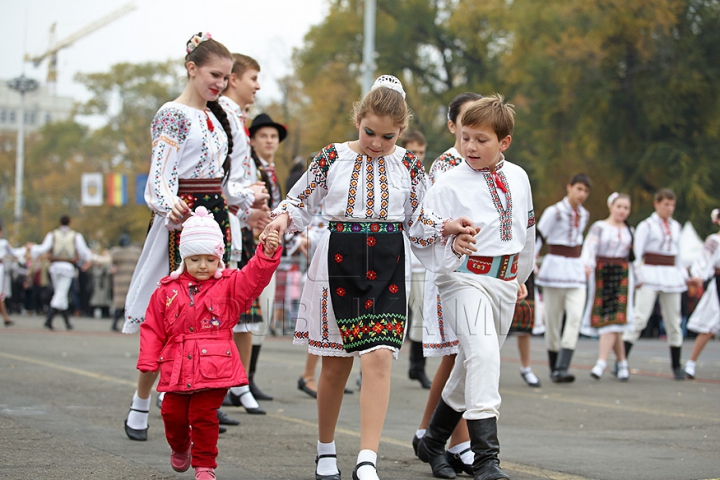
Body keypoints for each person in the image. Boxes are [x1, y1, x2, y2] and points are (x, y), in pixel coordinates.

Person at [262, 75, 474, 480]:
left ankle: (366, 458)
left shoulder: (410, 165)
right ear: (358, 119)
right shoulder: (331, 158)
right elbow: (298, 201)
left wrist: (448, 227)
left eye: (388, 136)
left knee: (379, 357)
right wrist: (281, 221)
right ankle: (326, 450)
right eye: (370, 132)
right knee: (336, 365)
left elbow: (420, 220)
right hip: (338, 257)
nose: (377, 143)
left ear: (401, 131)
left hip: (389, 260)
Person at [121, 32, 236, 441]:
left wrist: (244, 198)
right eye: (214, 74)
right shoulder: (173, 113)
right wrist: (169, 206)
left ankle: (193, 402)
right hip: (183, 221)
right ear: (192, 68)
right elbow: (159, 179)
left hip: (214, 216)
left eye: (225, 77)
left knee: (207, 319)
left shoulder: (215, 116)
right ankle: (140, 403)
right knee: (171, 317)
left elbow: (222, 176)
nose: (220, 83)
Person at [415, 94, 535, 480]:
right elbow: (418, 230)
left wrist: (521, 277)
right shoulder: (448, 181)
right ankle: (487, 460)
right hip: (462, 278)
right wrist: (450, 237)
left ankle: (432, 443)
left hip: (503, 282)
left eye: (481, 139)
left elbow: (527, 233)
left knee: (470, 368)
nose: (470, 146)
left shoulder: (519, 176)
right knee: (484, 355)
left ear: (504, 142)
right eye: (466, 137)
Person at [138, 206, 281, 480]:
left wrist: (266, 253)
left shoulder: (230, 286)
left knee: (204, 416)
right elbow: (153, 327)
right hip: (176, 367)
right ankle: (180, 446)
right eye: (195, 259)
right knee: (172, 413)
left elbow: (254, 277)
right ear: (183, 259)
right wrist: (148, 360)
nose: (202, 265)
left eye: (209, 258)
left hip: (215, 368)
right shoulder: (166, 290)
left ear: (219, 258)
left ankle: (205, 464)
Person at [411, 92, 482, 476]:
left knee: (465, 355)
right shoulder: (445, 166)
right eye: (466, 122)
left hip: (481, 271)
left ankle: (428, 432)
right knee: (460, 353)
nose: (473, 133)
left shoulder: (487, 167)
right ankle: (459, 441)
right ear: (453, 125)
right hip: (452, 269)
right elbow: (432, 222)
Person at [219, 53, 272, 414]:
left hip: (235, 224)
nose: (257, 85)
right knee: (215, 309)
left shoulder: (236, 117)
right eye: (253, 77)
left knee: (240, 310)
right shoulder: (221, 114)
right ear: (234, 78)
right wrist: (246, 199)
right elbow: (220, 179)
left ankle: (232, 384)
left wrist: (249, 209)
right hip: (215, 221)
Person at [243, 112, 288, 402]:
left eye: (273, 136)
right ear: (253, 139)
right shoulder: (249, 170)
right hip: (250, 249)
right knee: (249, 315)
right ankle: (240, 381)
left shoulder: (271, 172)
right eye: (264, 136)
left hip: (267, 248)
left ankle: (249, 378)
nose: (270, 141)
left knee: (264, 315)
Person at [622, 188, 689, 380]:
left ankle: (676, 365)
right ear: (657, 204)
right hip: (650, 273)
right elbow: (637, 254)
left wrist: (684, 275)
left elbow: (679, 256)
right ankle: (622, 361)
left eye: (672, 205)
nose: (669, 208)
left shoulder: (676, 226)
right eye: (666, 204)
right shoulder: (647, 225)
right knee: (640, 317)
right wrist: (637, 276)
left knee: (674, 321)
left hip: (671, 276)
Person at [535, 173, 591, 383]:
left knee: (575, 315)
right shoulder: (555, 211)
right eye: (578, 189)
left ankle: (563, 365)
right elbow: (539, 236)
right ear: (569, 187)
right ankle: (554, 367)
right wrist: (531, 261)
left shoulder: (584, 214)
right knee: (553, 319)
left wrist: (585, 263)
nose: (581, 194)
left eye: (585, 191)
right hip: (555, 266)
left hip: (575, 268)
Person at [580, 193, 634, 381]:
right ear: (611, 206)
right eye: (619, 206)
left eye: (626, 208)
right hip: (603, 271)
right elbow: (590, 247)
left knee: (616, 319)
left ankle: (602, 362)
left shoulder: (629, 230)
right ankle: (622, 363)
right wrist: (587, 265)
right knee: (609, 319)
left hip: (622, 273)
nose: (622, 211)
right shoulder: (600, 227)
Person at [31, 215, 92, 330]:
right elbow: (83, 250)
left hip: (55, 267)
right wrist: (87, 260)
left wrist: (33, 250)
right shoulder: (75, 236)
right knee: (61, 292)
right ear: (69, 223)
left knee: (60, 292)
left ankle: (66, 322)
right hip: (67, 267)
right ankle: (49, 319)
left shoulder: (52, 235)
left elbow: (43, 248)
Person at [684, 208, 720, 378]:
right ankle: (691, 362)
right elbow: (703, 259)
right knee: (709, 326)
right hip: (718, 283)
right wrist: (697, 275)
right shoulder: (714, 240)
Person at [109, 234, 141, 332]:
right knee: (131, 302)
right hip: (132, 279)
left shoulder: (116, 252)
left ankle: (115, 323)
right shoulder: (136, 252)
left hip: (119, 280)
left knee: (119, 303)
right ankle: (130, 323)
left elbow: (109, 262)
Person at [0, 225, 27, 326]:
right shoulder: (3, 243)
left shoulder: (3, 243)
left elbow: (14, 253)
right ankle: (6, 317)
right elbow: (14, 253)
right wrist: (24, 249)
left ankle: (6, 317)